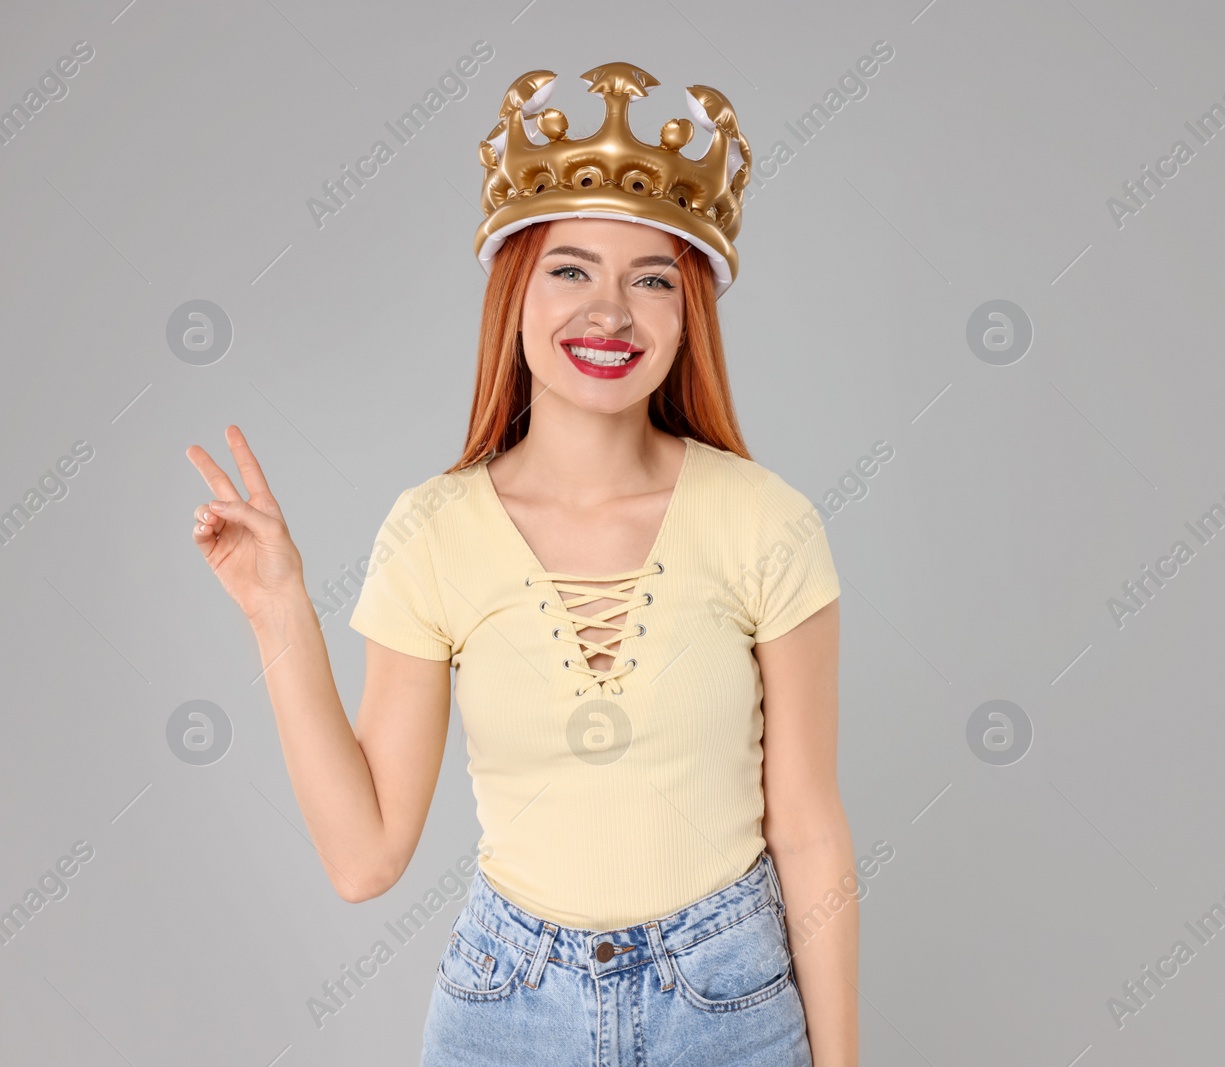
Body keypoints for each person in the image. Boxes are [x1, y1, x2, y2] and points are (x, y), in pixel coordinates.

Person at [185, 61, 856, 1067]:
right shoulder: (432, 531)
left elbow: (806, 829)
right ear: (515, 290)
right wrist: (279, 608)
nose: (612, 312)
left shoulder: (768, 523)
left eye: (653, 279)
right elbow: (366, 857)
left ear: (690, 313)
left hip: (731, 1000)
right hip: (509, 1007)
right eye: (571, 268)